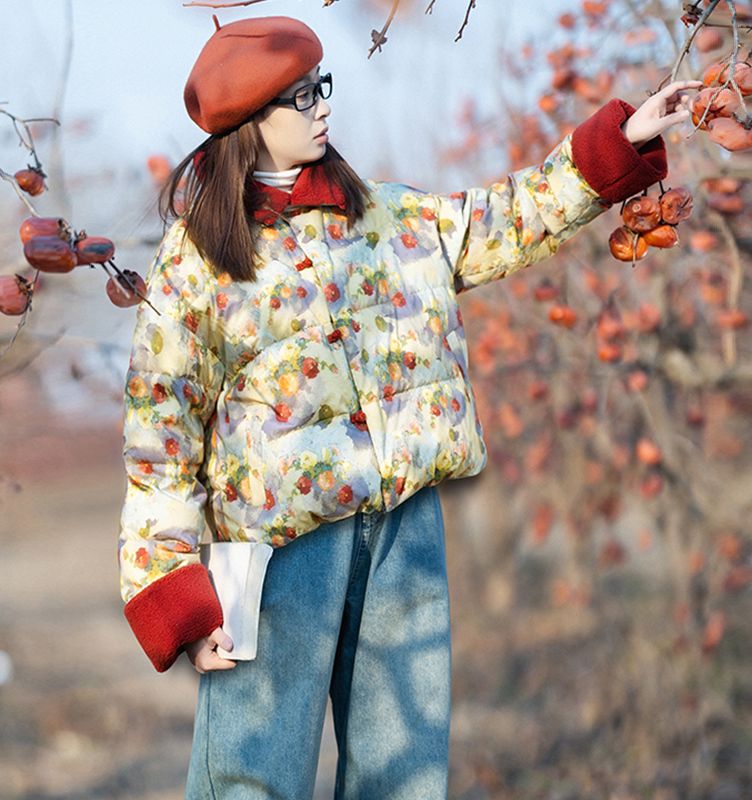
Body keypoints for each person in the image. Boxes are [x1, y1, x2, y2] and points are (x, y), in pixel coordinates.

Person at [118, 15, 699, 800]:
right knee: (248, 780)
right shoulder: (197, 263)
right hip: (271, 556)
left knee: (406, 778)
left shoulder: (389, 219)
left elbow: (510, 217)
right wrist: (178, 595)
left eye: (321, 85)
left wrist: (620, 138)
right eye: (299, 97)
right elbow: (160, 439)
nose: (323, 105)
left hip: (404, 540)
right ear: (247, 128)